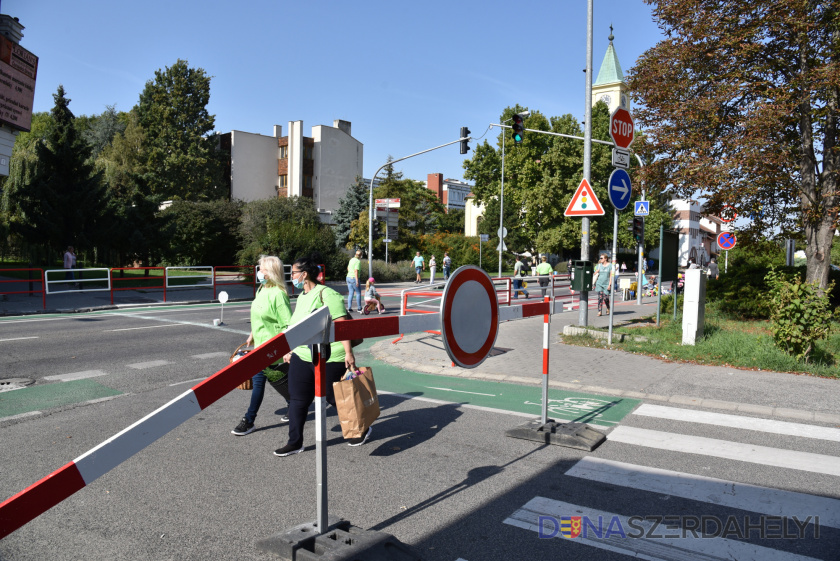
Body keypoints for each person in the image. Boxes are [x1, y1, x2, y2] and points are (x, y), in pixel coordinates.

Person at [275, 255, 367, 456]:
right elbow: (297, 327)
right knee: (298, 399)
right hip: (303, 355)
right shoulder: (302, 297)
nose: (292, 277)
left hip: (330, 355)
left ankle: (361, 427)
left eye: (294, 273)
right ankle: (295, 442)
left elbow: (342, 325)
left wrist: (349, 354)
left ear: (304, 274)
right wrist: (290, 350)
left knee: (336, 398)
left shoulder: (327, 294)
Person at [231, 256, 293, 436]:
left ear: (271, 272)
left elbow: (287, 324)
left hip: (272, 348)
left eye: (262, 269)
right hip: (259, 345)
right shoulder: (261, 289)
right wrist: (252, 334)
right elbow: (258, 315)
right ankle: (294, 403)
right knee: (277, 379)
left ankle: (249, 420)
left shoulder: (279, 294)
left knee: (259, 381)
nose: (259, 272)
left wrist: (287, 350)